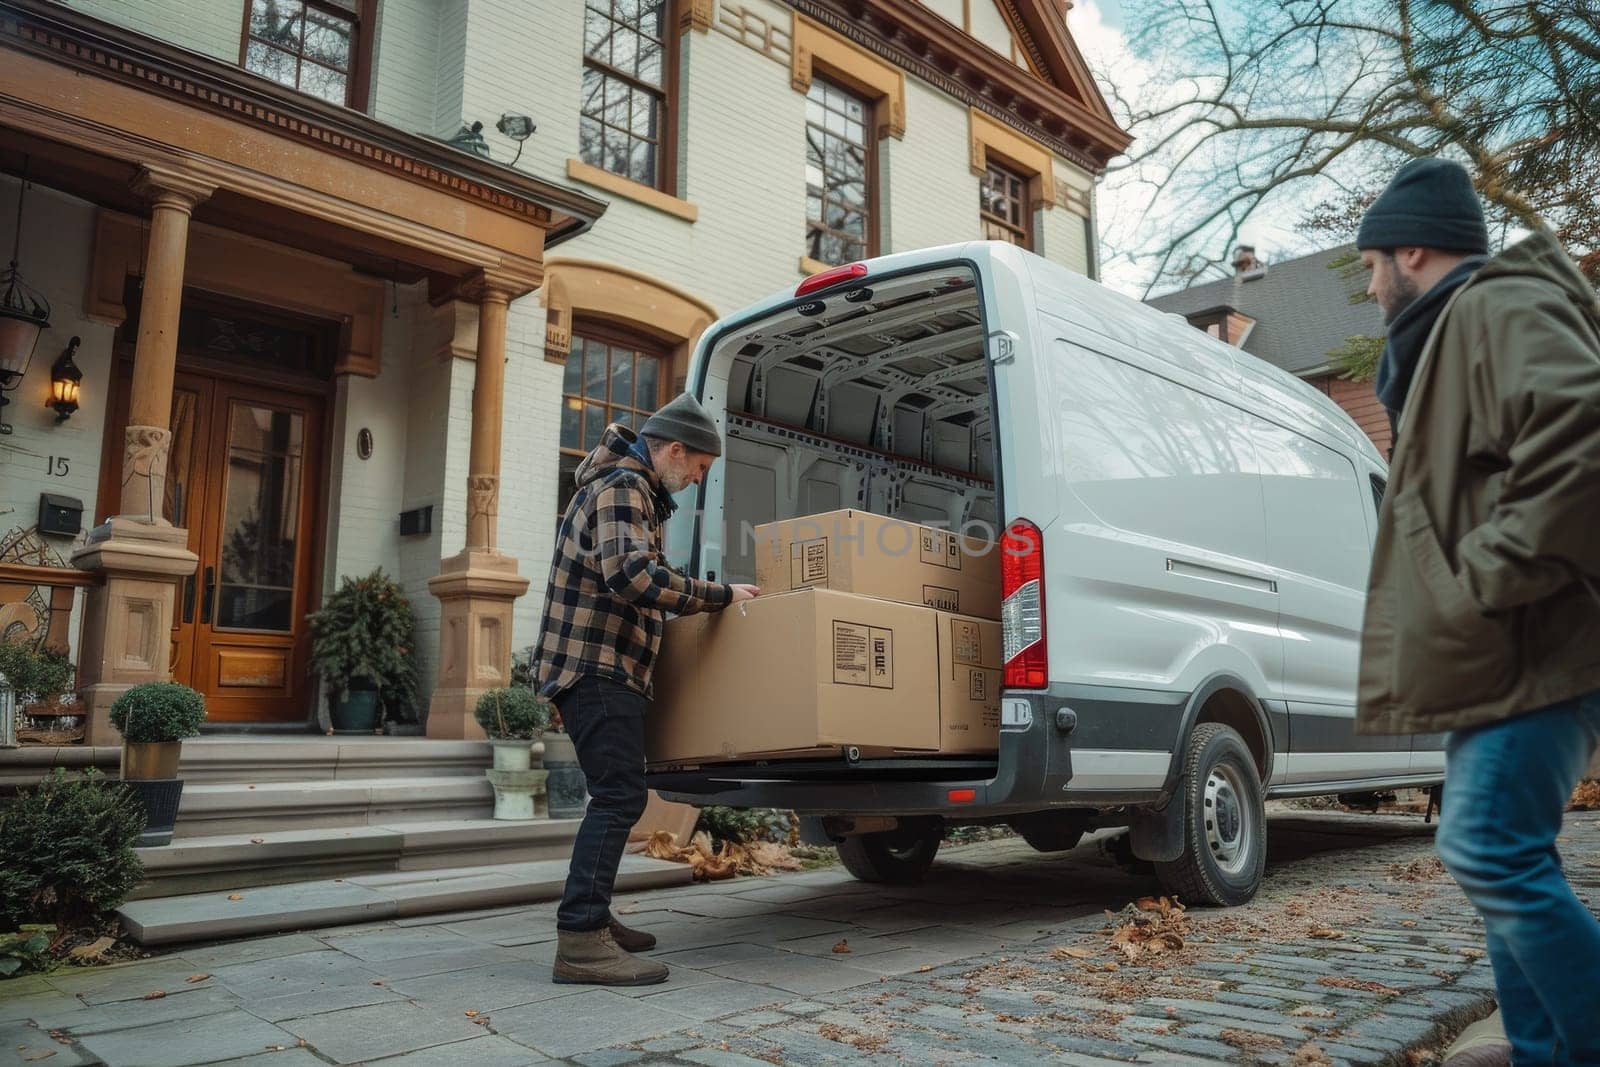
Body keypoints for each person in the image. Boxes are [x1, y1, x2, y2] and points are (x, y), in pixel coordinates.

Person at [1354, 157, 1600, 1064]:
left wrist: (1480, 582)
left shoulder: (1496, 307)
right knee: (1503, 858)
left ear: (1411, 249)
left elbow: (1585, 440)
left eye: (1373, 264)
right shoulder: (1446, 335)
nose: (1370, 284)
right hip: (1496, 660)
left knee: (1489, 848)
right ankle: (1544, 1050)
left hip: (1534, 641)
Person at [534, 393, 759, 986]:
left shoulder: (633, 491)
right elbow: (631, 575)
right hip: (595, 665)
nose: (696, 480)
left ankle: (595, 919)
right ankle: (581, 942)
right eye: (699, 468)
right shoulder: (623, 487)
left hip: (603, 667)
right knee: (619, 797)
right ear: (675, 450)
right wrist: (720, 595)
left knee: (614, 795)